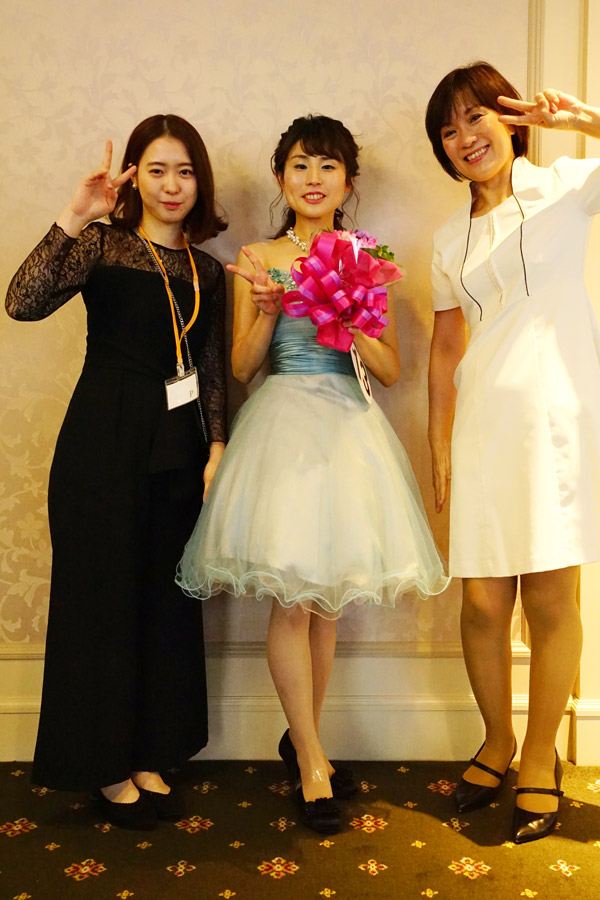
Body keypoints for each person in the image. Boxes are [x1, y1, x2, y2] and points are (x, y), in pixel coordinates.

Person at [177, 114, 449, 834]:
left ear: (349, 182)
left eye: (329, 166)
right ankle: (313, 762)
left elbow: (390, 371)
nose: (314, 178)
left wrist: (349, 312)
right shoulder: (259, 257)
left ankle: (306, 743)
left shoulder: (368, 257)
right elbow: (242, 368)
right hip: (284, 427)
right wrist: (270, 312)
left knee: (327, 604)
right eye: (301, 165)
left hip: (350, 429)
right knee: (292, 603)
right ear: (281, 177)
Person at [5, 115, 227, 829]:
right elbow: (21, 302)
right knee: (101, 603)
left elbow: (211, 370)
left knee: (164, 604)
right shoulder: (103, 244)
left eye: (184, 171)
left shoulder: (208, 270)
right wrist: (75, 216)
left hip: (177, 449)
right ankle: (101, 764)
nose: (172, 185)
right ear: (134, 176)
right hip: (101, 441)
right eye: (157, 169)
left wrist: (217, 447)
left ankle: (149, 750)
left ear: (200, 181)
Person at [426, 62, 600, 843]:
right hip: (483, 427)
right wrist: (438, 446)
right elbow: (444, 351)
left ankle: (538, 756)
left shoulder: (566, 186)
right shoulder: (447, 238)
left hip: (557, 424)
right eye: (449, 130)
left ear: (510, 118)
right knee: (482, 603)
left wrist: (584, 121)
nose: (466, 138)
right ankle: (495, 741)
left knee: (552, 601)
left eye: (476, 117)